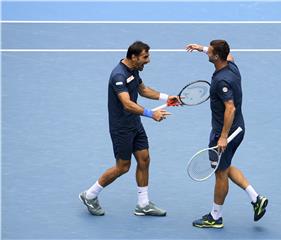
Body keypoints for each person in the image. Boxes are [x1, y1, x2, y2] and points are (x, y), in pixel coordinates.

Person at [79, 41, 179, 217]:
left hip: (134, 124)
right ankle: (90, 194)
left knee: (144, 159)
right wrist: (151, 114)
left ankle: (143, 204)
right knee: (122, 167)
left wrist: (167, 97)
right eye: (145, 57)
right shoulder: (118, 75)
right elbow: (126, 104)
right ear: (134, 57)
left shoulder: (133, 70)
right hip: (121, 128)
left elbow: (143, 90)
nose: (148, 61)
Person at [186, 40, 268, 228]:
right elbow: (229, 55)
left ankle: (215, 217)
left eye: (210, 52)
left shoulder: (222, 80)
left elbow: (229, 108)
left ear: (216, 57)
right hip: (237, 128)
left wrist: (223, 136)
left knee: (220, 173)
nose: (207, 53)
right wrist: (202, 49)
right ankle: (256, 198)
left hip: (226, 133)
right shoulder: (231, 66)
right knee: (224, 166)